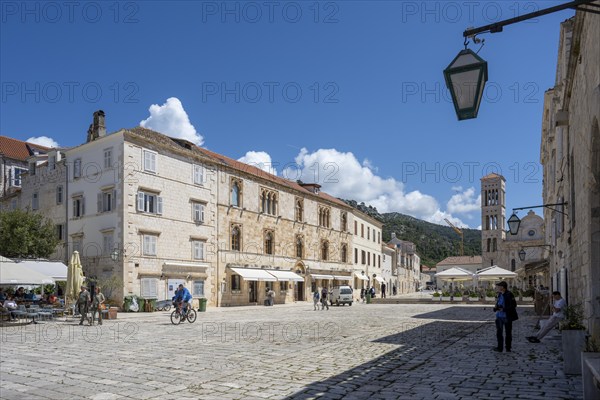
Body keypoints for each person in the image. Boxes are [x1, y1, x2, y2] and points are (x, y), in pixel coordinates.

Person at [492, 281, 518, 352]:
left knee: (508, 333)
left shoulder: (509, 294)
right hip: (499, 316)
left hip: (507, 316)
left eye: (499, 286)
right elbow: (498, 303)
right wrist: (496, 308)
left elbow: (514, 305)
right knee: (499, 333)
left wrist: (504, 309)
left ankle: (508, 347)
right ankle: (500, 347)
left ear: (502, 287)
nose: (497, 288)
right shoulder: (500, 294)